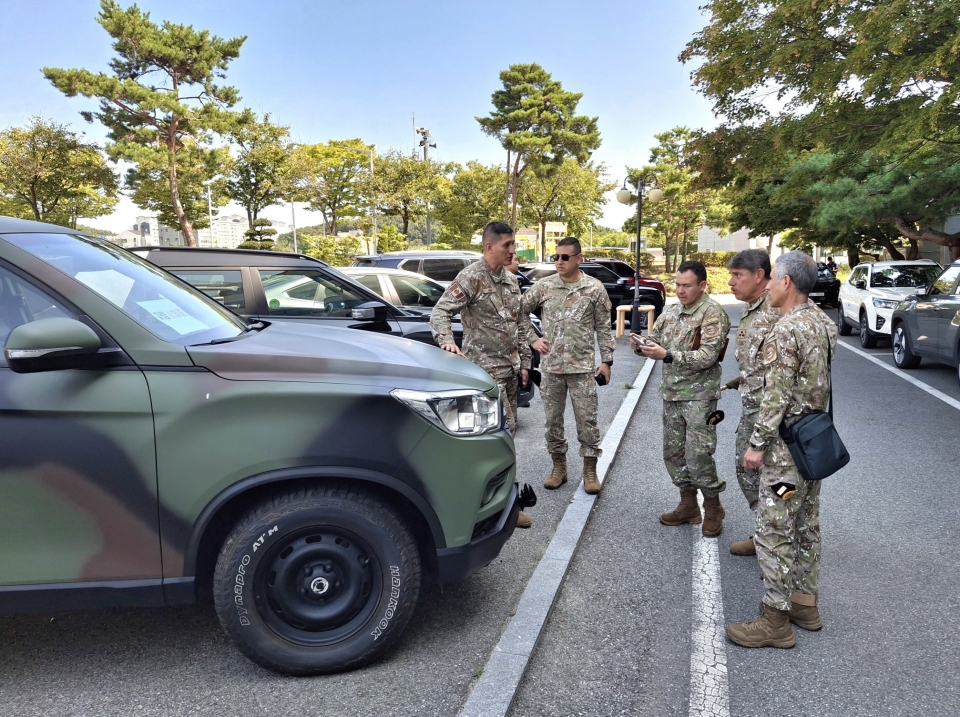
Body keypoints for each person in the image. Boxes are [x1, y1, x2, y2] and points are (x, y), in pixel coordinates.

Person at [726, 251, 837, 649]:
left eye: (773, 278)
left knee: (774, 530)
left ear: (787, 282)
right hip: (812, 446)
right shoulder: (823, 322)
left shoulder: (787, 329)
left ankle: (775, 621)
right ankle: (805, 605)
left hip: (784, 456)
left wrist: (757, 446)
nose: (769, 284)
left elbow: (777, 394)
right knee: (806, 523)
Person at [430, 221, 534, 528]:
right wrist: (447, 341)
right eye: (507, 245)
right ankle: (494, 508)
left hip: (511, 371)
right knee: (495, 439)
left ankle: (499, 504)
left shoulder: (510, 280)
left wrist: (526, 361)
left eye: (513, 244)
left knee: (506, 438)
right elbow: (439, 312)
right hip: (484, 375)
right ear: (489, 246)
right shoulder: (472, 277)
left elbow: (519, 322)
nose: (513, 250)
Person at [631, 261, 731, 536]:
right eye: (677, 284)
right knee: (673, 455)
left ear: (702, 285)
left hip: (700, 397)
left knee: (698, 454)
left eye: (687, 285)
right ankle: (688, 505)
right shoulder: (672, 312)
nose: (680, 290)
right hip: (672, 395)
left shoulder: (713, 314)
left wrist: (668, 355)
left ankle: (713, 507)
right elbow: (656, 341)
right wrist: (642, 346)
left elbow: (709, 356)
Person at [521, 237, 615, 494]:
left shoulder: (594, 289)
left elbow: (604, 328)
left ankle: (589, 470)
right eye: (556, 257)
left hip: (582, 369)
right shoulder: (544, 286)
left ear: (578, 259)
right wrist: (533, 338)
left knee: (588, 421)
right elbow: (518, 312)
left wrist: (606, 361)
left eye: (565, 257)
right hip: (551, 369)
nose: (559, 262)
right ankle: (559, 467)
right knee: (552, 422)